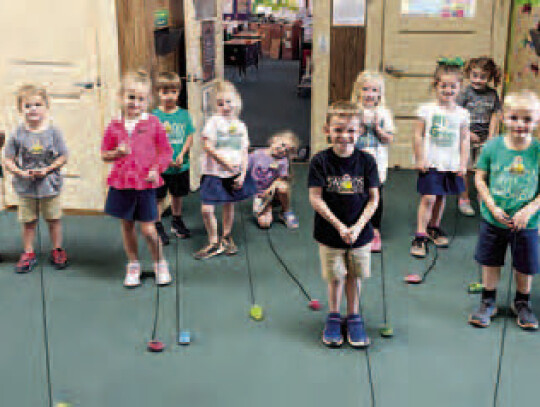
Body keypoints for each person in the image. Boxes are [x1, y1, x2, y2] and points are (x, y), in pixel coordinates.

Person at [308, 101, 379, 348]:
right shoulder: (319, 161)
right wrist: (339, 226)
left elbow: (373, 199)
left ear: (360, 131)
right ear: (327, 130)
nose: (345, 136)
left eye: (351, 130)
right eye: (338, 130)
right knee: (336, 277)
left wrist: (358, 227)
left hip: (360, 234)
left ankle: (354, 316)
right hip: (330, 233)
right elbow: (315, 198)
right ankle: (334, 316)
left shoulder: (368, 162)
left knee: (355, 276)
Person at [469, 91, 540, 331]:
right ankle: (488, 301)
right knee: (490, 261)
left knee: (525, 264)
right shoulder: (492, 147)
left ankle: (522, 303)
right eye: (514, 118)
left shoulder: (538, 151)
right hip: (494, 219)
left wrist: (529, 210)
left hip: (526, 223)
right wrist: (491, 206)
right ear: (503, 117)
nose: (520, 124)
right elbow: (480, 177)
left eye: (528, 119)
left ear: (537, 120)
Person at [101, 71, 173, 287]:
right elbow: (105, 154)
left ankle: (160, 263)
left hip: (146, 185)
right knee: (127, 226)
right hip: (122, 184)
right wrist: (116, 153)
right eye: (131, 97)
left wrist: (157, 169)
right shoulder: (114, 126)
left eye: (141, 99)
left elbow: (165, 152)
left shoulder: (153, 123)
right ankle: (133, 264)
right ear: (121, 97)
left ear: (147, 101)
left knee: (149, 230)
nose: (135, 103)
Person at [3, 84, 69, 272]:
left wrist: (48, 169)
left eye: (38, 105)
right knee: (28, 221)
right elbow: (8, 159)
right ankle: (28, 252)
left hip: (50, 185)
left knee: (53, 218)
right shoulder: (17, 134)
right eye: (28, 106)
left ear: (46, 107)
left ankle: (57, 249)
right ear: (20, 109)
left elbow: (63, 156)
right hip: (26, 186)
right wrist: (20, 172)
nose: (33, 109)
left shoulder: (54, 132)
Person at [410, 58, 470, 258]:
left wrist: (463, 163)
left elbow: (464, 140)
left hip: (450, 163)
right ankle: (420, 234)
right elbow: (418, 135)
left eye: (453, 86)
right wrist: (419, 158)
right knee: (428, 197)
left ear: (460, 88)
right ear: (436, 85)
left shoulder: (462, 114)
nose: (448, 90)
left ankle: (434, 227)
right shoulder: (426, 110)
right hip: (431, 161)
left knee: (441, 196)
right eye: (443, 85)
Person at [194, 80, 256, 260]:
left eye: (229, 102)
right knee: (207, 209)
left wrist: (243, 174)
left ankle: (226, 237)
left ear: (236, 101)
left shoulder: (240, 126)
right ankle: (213, 240)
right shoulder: (213, 122)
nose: (226, 106)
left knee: (229, 204)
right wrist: (224, 163)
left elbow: (244, 152)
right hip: (214, 173)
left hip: (234, 173)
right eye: (220, 103)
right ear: (215, 106)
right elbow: (207, 146)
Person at [351, 71, 395, 252]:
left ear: (380, 94)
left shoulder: (383, 113)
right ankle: (355, 226)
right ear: (358, 91)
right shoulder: (352, 111)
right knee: (353, 194)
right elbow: (345, 138)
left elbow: (388, 139)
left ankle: (374, 230)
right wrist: (358, 128)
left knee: (374, 195)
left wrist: (377, 128)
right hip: (354, 163)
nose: (369, 94)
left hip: (376, 163)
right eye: (366, 89)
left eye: (374, 90)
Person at [152, 72, 195, 244]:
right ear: (158, 93)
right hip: (160, 167)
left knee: (177, 195)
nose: (169, 96)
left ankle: (177, 221)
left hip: (180, 166)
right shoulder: (154, 116)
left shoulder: (184, 114)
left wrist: (182, 154)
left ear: (178, 93)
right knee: (159, 198)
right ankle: (157, 224)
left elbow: (189, 135)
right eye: (164, 92)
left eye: (173, 92)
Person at [457, 57, 502, 216]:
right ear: (469, 74)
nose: (478, 80)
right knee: (465, 169)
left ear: (489, 77)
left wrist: (491, 136)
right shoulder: (464, 93)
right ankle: (463, 198)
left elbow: (496, 114)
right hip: (465, 137)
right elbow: (455, 115)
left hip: (484, 138)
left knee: (482, 169)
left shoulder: (492, 94)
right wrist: (467, 133)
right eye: (474, 75)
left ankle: (482, 196)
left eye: (483, 77)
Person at [249, 130, 299, 229]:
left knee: (283, 187)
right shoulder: (257, 154)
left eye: (286, 150)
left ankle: (286, 212)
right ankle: (268, 206)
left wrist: (271, 188)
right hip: (261, 194)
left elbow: (281, 178)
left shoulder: (283, 161)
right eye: (282, 145)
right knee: (265, 224)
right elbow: (245, 167)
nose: (282, 150)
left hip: (274, 191)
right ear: (274, 140)